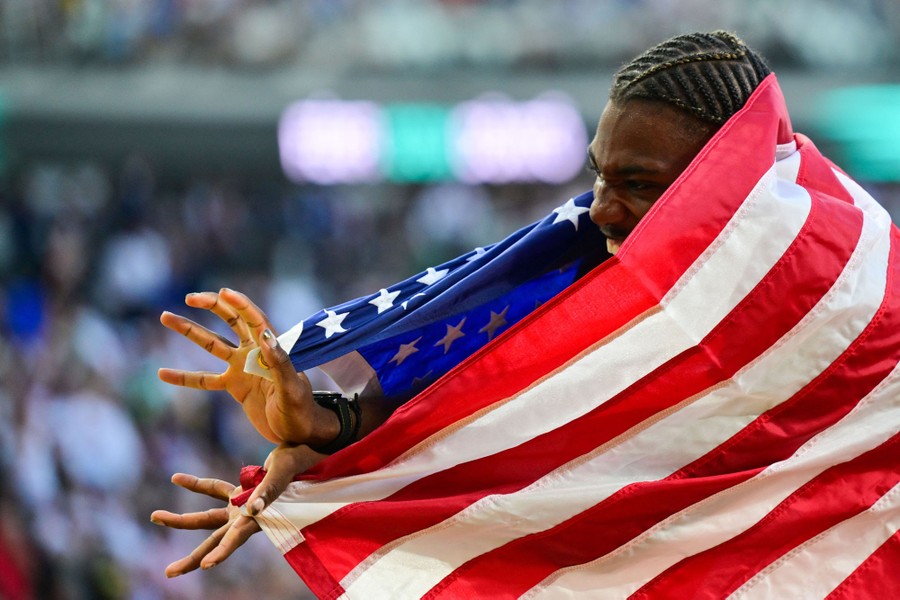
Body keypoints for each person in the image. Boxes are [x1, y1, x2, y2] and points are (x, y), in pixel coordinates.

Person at [152, 30, 813, 580]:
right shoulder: (583, 268)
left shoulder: (841, 311)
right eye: (598, 175)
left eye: (637, 183)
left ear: (729, 182)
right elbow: (480, 405)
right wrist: (330, 430)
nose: (601, 208)